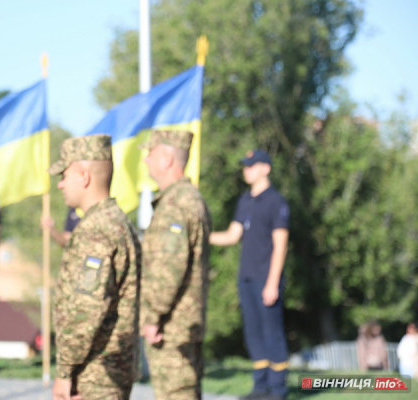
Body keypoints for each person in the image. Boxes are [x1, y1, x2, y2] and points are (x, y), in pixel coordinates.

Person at [49, 134, 141, 400]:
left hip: (94, 373)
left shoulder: (97, 230)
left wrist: (66, 369)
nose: (61, 185)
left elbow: (86, 308)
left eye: (64, 175)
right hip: (107, 369)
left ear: (85, 176)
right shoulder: (117, 221)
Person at [210, 149, 290, 400]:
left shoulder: (276, 202)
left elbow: (280, 245)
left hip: (266, 279)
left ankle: (278, 389)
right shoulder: (245, 201)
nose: (247, 170)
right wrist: (202, 235)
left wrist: (272, 283)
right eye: (245, 166)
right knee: (253, 333)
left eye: (252, 166)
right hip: (246, 277)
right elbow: (232, 236)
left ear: (265, 168)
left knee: (271, 333)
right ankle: (261, 387)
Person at [140, 130, 211, 400]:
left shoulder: (176, 204)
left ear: (168, 158)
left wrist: (152, 317)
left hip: (172, 327)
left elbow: (169, 269)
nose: (146, 160)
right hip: (183, 324)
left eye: (151, 153)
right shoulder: (189, 199)